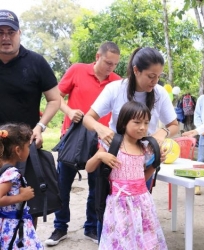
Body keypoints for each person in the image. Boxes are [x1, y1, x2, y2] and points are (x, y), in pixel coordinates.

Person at [83, 47, 179, 241]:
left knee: (139, 207)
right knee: (106, 205)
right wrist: (100, 129)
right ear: (136, 70)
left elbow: (174, 125)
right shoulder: (115, 88)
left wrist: (162, 133)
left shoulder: (159, 93)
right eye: (151, 76)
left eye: (158, 76)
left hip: (141, 157)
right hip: (113, 157)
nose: (155, 81)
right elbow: (88, 118)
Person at [45, 41, 121, 246]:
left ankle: (90, 227)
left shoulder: (117, 82)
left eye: (114, 64)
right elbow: (55, 97)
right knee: (62, 185)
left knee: (97, 189)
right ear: (97, 57)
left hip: (101, 143)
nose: (110, 68)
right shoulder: (77, 70)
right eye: (107, 62)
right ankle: (60, 227)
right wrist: (69, 111)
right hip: (72, 139)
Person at [0, 9, 60, 228]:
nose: (5, 37)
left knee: (27, 204)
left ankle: (25, 242)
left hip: (24, 147)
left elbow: (55, 99)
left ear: (19, 33)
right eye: (0, 32)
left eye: (10, 32)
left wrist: (40, 127)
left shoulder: (35, 62)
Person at [86, 101, 168, 249]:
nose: (142, 127)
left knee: (143, 240)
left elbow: (141, 180)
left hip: (142, 204)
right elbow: (89, 168)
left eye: (146, 123)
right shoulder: (112, 144)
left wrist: (155, 164)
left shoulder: (145, 148)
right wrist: (100, 157)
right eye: (137, 122)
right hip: (119, 206)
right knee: (121, 242)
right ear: (124, 123)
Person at [0, 123, 43, 249]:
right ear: (18, 150)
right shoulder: (11, 173)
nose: (29, 150)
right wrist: (22, 196)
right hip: (13, 224)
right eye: (28, 147)